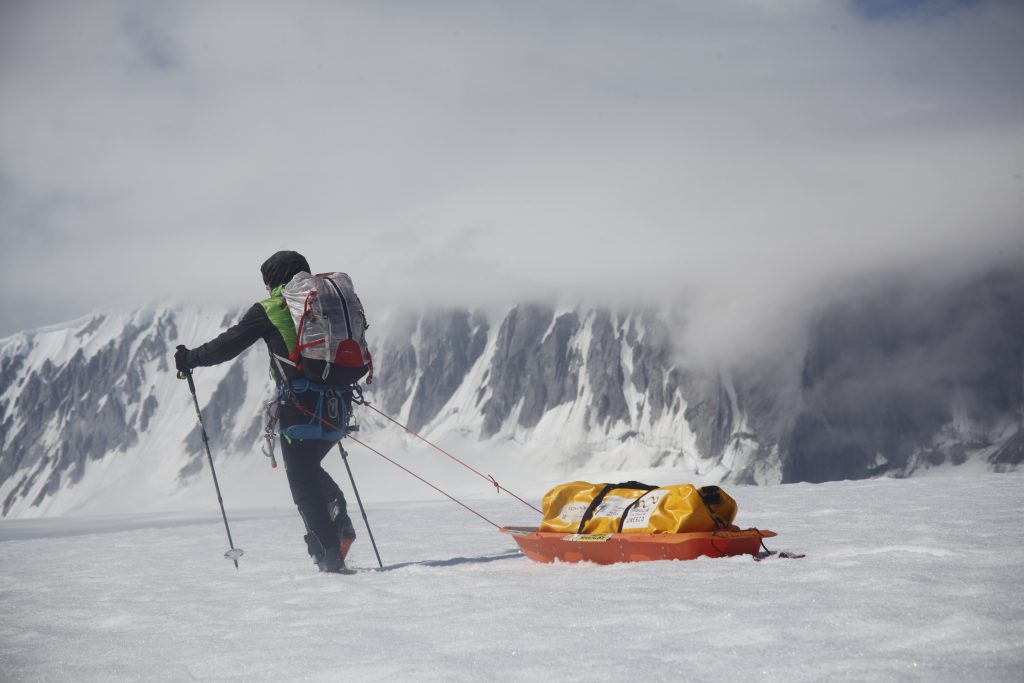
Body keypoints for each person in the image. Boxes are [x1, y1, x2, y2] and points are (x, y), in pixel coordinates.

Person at [174, 250, 357, 573]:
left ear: (273, 280)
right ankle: (337, 516)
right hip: (338, 408)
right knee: (309, 467)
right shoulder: (325, 306)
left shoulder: (270, 309)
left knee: (301, 480)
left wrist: (190, 359)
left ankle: (330, 557)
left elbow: (227, 345)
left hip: (299, 409)